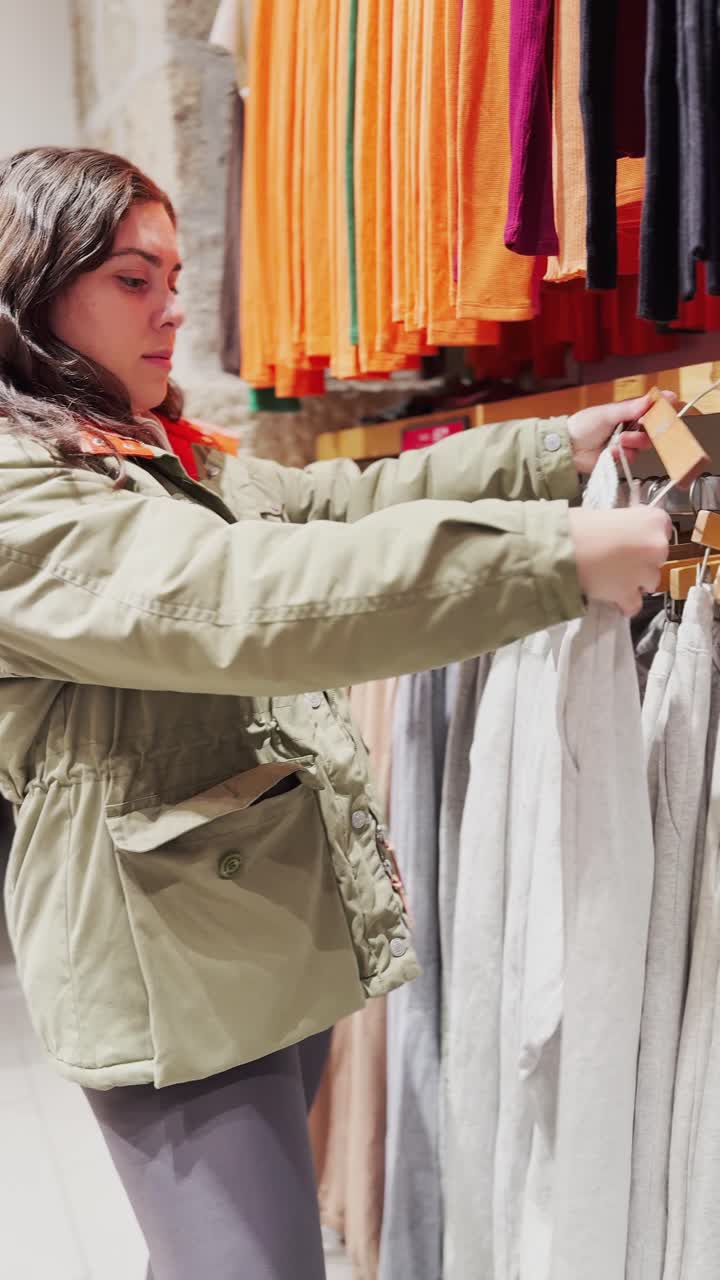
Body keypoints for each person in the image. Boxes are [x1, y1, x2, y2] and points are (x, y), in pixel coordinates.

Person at [0, 147, 669, 1280]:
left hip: (250, 941)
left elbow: (334, 503)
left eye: (174, 273)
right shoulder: (23, 488)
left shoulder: (151, 450)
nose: (172, 307)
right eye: (131, 278)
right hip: (168, 972)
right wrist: (554, 559)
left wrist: (550, 453)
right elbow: (244, 600)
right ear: (33, 285)